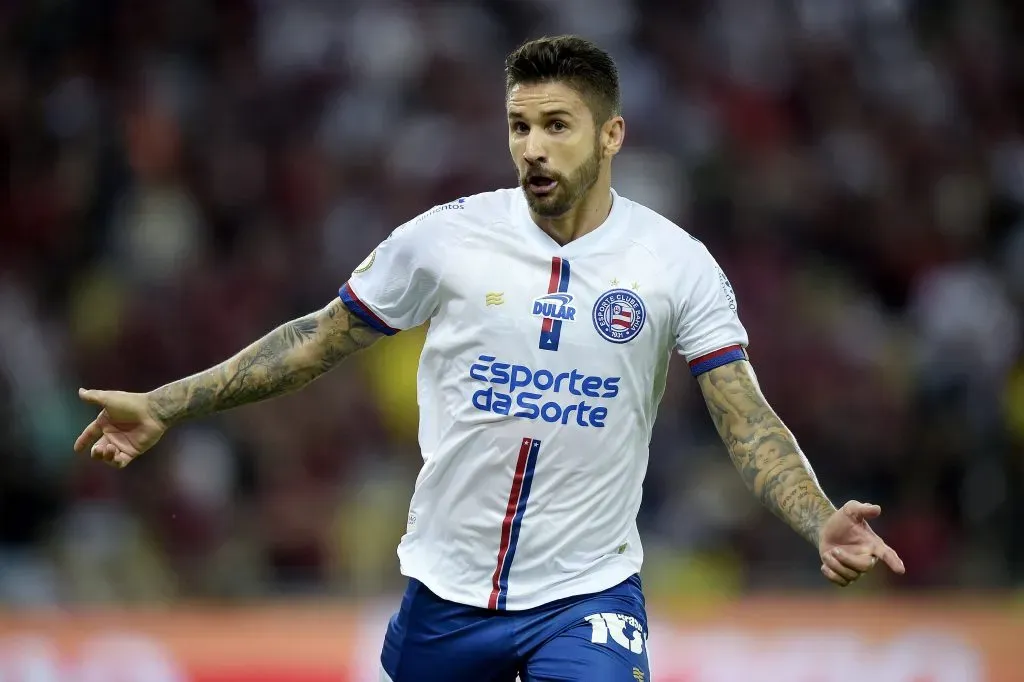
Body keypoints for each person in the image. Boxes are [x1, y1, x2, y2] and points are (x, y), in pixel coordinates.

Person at [74, 35, 905, 682]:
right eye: (519, 126)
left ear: (611, 133)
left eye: (556, 126)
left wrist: (815, 515)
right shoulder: (445, 239)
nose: (533, 148)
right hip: (446, 588)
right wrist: (168, 402)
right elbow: (317, 340)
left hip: (587, 591)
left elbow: (744, 414)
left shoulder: (673, 263)